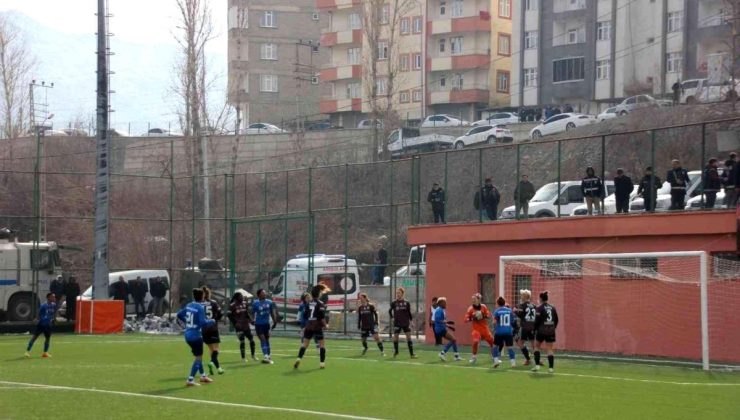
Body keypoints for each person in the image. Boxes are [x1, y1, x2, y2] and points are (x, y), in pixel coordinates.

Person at [176, 288, 215, 386]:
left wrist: (188, 322)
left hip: (188, 335)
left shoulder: (189, 305)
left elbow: (179, 314)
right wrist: (212, 321)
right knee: (198, 358)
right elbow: (203, 323)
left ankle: (203, 376)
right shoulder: (200, 307)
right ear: (202, 296)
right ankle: (190, 380)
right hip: (196, 336)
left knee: (198, 356)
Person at [294, 284, 331, 369]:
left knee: (305, 344)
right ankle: (322, 363)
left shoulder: (308, 303)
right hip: (317, 326)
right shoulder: (320, 304)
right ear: (319, 294)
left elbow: (306, 315)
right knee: (322, 344)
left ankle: (298, 358)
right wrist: (326, 325)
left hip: (309, 325)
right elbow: (321, 317)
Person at [532, 291, 559, 374]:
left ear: (540, 299)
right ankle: (551, 368)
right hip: (551, 331)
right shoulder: (553, 307)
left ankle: (537, 365)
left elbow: (537, 321)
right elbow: (556, 320)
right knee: (550, 349)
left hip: (541, 330)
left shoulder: (539, 308)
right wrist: (553, 328)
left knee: (536, 346)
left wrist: (534, 329)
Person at [464, 293, 494, 364]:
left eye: (475, 299)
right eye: (472, 299)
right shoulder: (470, 308)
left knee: (493, 343)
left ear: (479, 300)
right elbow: (465, 319)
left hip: (484, 329)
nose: (473, 300)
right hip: (476, 329)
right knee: (475, 341)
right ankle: (474, 357)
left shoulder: (483, 307)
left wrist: (483, 315)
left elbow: (488, 315)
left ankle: (494, 356)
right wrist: (472, 317)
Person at [228, 291, 257, 363]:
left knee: (252, 340)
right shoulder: (232, 305)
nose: (242, 297)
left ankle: (253, 355)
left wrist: (251, 320)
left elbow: (246, 313)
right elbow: (229, 315)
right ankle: (243, 358)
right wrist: (235, 323)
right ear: (237, 298)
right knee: (242, 341)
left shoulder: (244, 303)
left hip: (246, 325)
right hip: (239, 327)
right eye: (240, 296)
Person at [200, 287, 224, 375]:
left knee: (211, 350)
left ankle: (218, 368)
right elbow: (220, 313)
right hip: (213, 328)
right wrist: (216, 319)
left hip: (204, 329)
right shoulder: (213, 303)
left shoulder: (199, 304)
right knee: (216, 349)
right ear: (208, 293)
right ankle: (211, 363)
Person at [25, 293, 56, 358]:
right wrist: (36, 319)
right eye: (52, 297)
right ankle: (27, 352)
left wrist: (53, 320)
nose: (54, 298)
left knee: (48, 338)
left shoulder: (53, 305)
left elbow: (52, 313)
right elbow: (38, 313)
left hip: (48, 325)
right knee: (34, 338)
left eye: (54, 297)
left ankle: (45, 353)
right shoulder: (43, 305)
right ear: (48, 298)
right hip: (41, 324)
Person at [389, 287, 416, 358]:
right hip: (397, 322)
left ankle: (412, 354)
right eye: (396, 293)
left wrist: (411, 321)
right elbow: (389, 311)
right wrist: (392, 318)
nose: (397, 294)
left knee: (409, 338)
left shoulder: (406, 303)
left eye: (399, 293)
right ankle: (396, 351)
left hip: (405, 322)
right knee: (395, 338)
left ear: (402, 294)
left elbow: (409, 313)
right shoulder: (394, 303)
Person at [252, 288, 278, 364]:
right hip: (258, 324)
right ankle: (266, 356)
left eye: (265, 292)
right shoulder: (255, 303)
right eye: (263, 292)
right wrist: (252, 320)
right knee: (262, 339)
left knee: (267, 340)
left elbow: (272, 313)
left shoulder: (270, 302)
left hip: (266, 324)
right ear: (259, 295)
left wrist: (275, 322)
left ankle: (268, 356)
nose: (265, 293)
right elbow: (252, 313)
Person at [512, 289, 537, 366]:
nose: (520, 296)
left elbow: (520, 314)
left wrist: (515, 310)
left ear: (525, 297)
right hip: (532, 326)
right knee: (533, 344)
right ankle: (537, 360)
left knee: (520, 342)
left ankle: (528, 359)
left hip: (525, 326)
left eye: (522, 295)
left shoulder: (523, 305)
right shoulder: (533, 305)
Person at [433, 297, 462, 362]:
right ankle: (442, 353)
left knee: (453, 340)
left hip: (441, 328)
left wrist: (449, 326)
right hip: (440, 329)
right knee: (453, 339)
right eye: (445, 303)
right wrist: (446, 322)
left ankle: (456, 356)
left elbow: (442, 321)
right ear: (440, 303)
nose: (446, 304)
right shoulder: (439, 310)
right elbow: (438, 320)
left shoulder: (441, 310)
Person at [492, 296, 517, 368]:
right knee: (510, 347)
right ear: (504, 303)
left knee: (495, 346)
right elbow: (512, 321)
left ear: (497, 303)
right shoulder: (510, 311)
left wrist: (495, 328)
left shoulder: (497, 311)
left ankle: (496, 361)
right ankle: (513, 363)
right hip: (508, 332)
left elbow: (494, 322)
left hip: (499, 331)